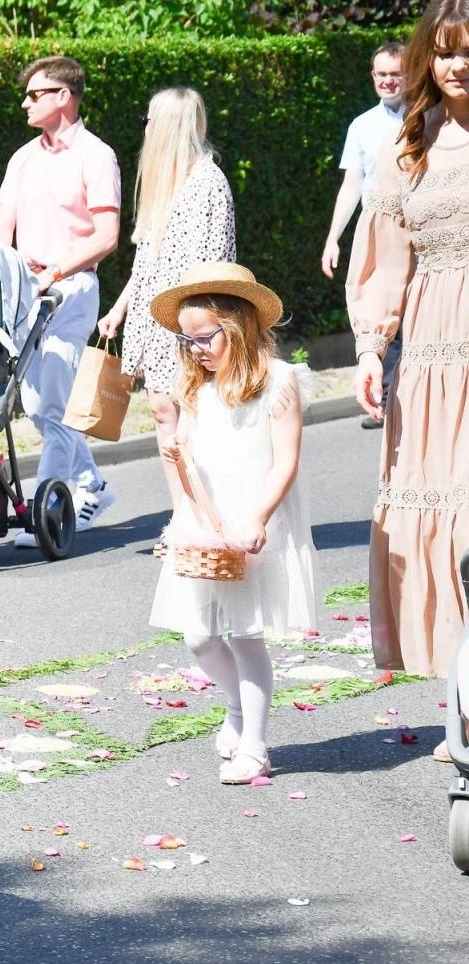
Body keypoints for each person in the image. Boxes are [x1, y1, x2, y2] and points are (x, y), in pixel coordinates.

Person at [347, 0, 469, 761]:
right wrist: (368, 348)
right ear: (430, 57)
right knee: (447, 532)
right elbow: (387, 261)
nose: (461, 65)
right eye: (450, 52)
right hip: (431, 359)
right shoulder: (408, 151)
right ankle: (463, 703)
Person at [147, 263, 318, 785]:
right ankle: (237, 709)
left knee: (245, 636)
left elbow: (285, 461)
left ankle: (257, 746)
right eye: (186, 340)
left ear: (237, 327)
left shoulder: (279, 382)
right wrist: (181, 509)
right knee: (199, 637)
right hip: (207, 522)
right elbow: (185, 462)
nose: (195, 349)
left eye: (204, 338)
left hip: (249, 521)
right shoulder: (196, 390)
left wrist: (257, 517)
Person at [0, 55, 121, 548]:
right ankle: (91, 485)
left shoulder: (96, 155)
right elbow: (2, 231)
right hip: (27, 291)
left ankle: (47, 508)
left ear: (64, 97)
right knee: (38, 403)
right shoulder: (22, 158)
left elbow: (106, 235)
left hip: (72, 289)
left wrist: (57, 271)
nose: (25, 102)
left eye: (35, 94)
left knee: (53, 400)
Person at [96, 87, 235, 535]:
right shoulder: (166, 183)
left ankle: (205, 516)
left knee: (191, 412)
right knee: (162, 410)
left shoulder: (208, 182)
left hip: (189, 317)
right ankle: (182, 517)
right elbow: (147, 258)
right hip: (156, 316)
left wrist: (195, 321)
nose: (146, 128)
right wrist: (119, 307)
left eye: (151, 120)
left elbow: (212, 259)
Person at [322, 41, 407, 430]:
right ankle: (385, 400)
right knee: (378, 314)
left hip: (421, 225)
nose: (388, 81)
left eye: (395, 73)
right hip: (379, 230)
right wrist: (333, 237)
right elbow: (351, 185)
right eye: (381, 74)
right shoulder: (362, 126)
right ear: (373, 78)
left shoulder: (431, 117)